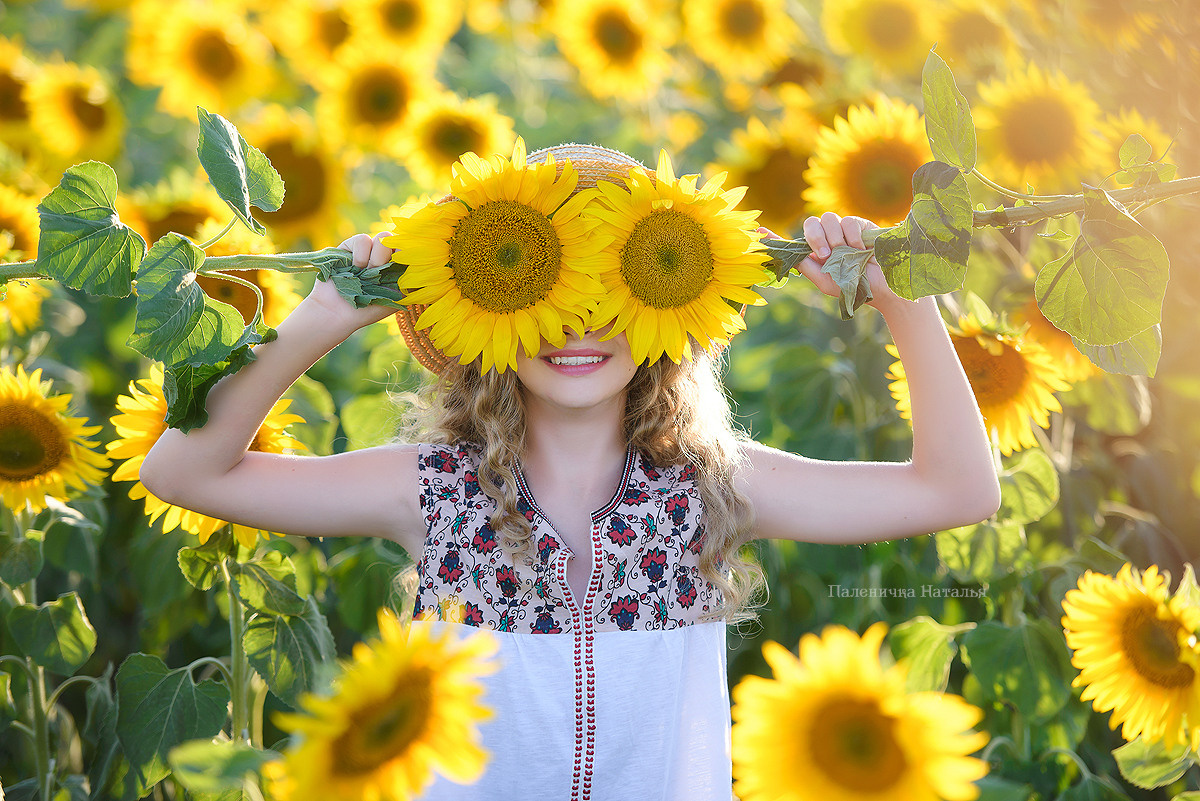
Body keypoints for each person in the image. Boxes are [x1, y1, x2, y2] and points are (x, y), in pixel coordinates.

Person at [140, 143, 1000, 800]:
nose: (577, 328)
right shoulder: (435, 489)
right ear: (491, 310)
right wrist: (318, 321)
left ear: (663, 305)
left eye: (610, 295)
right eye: (546, 289)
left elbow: (960, 490)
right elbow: (185, 473)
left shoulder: (712, 490)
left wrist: (903, 300)